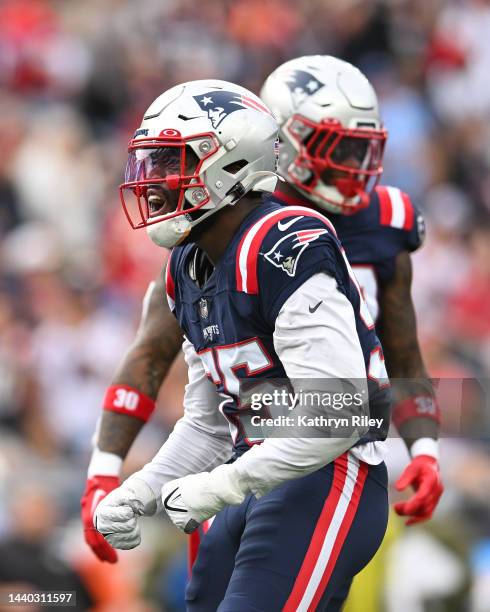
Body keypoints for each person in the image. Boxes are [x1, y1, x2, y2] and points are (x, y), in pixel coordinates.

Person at [80, 57, 443, 570]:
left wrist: (424, 445)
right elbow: (151, 358)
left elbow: (399, 352)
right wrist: (107, 472)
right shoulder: (216, 225)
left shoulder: (382, 224)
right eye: (334, 144)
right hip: (238, 449)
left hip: (335, 445)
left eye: (360, 146)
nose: (352, 162)